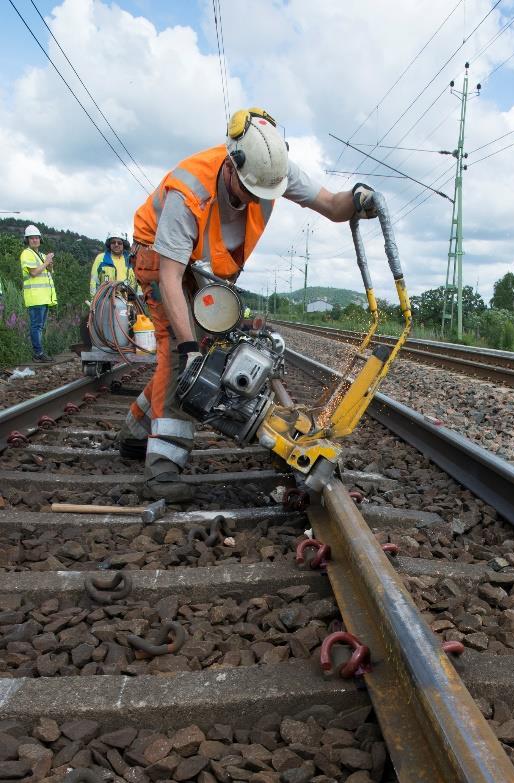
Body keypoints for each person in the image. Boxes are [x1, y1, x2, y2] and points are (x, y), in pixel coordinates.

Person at [117, 106, 376, 501]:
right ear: (229, 168)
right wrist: (189, 349)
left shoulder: (272, 170)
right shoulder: (188, 194)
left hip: (207, 269)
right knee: (180, 353)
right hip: (159, 260)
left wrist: (358, 199)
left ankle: (136, 432)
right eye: (249, 191)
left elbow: (333, 206)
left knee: (202, 352)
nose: (257, 199)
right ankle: (162, 469)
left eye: (264, 193)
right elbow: (171, 277)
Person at [20, 225, 57, 363]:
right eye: (31, 238)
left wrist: (49, 263)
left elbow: (49, 272)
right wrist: (46, 262)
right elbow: (34, 272)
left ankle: (39, 352)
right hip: (35, 297)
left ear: (40, 239)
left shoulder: (41, 255)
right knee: (36, 326)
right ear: (27, 240)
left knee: (39, 326)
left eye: (36, 238)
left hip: (44, 297)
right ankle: (38, 353)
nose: (35, 240)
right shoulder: (26, 254)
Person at [89, 232, 137, 297]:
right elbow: (94, 281)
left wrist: (132, 301)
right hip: (104, 299)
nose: (116, 245)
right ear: (109, 244)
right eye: (113, 242)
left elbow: (136, 282)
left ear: (124, 245)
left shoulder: (130, 260)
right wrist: (93, 300)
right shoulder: (101, 258)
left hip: (126, 301)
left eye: (119, 243)